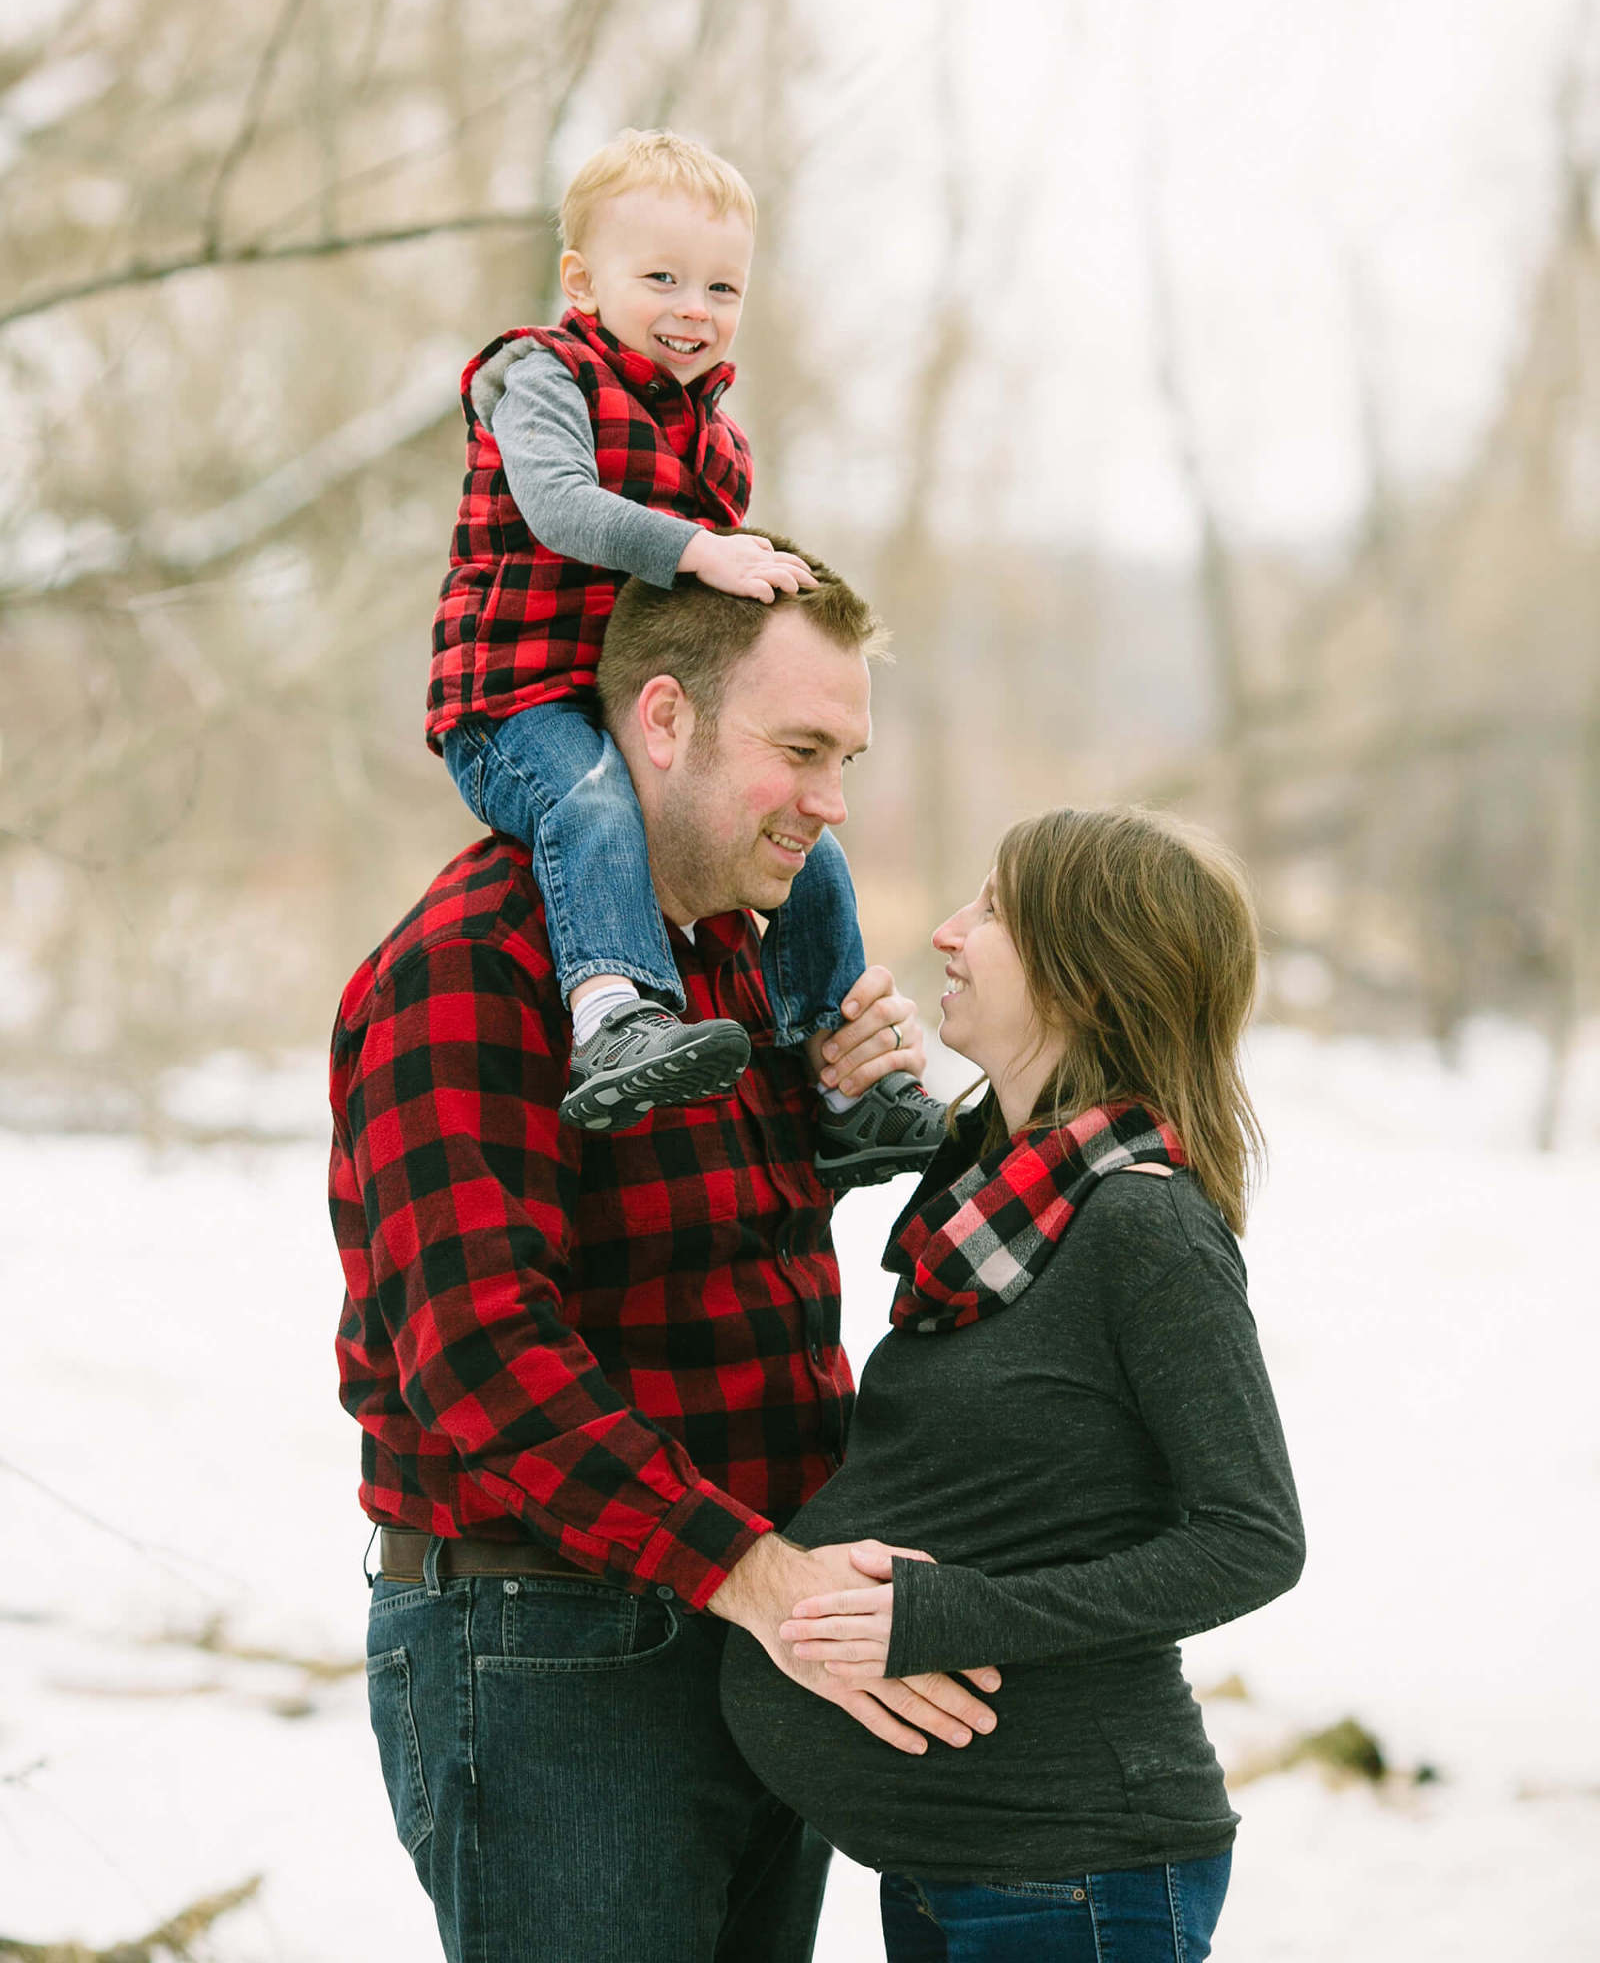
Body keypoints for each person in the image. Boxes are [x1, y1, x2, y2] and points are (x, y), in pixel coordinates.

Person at [331, 551, 1003, 1963]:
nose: (831, 804)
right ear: (662, 719)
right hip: (552, 1648)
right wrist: (763, 1578)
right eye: (800, 751)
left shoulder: (738, 964)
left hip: (750, 1624)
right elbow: (481, 1361)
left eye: (849, 758)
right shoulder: (477, 961)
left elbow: (709, 1266)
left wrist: (845, 1114)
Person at [721, 806, 1307, 1963]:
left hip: (1075, 1869)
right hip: (966, 1863)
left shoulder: (1142, 1225)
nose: (947, 932)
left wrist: (957, 1614)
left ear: (1085, 976)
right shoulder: (998, 1191)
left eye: (991, 912)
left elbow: (1252, 1538)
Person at [426, 123, 942, 1173]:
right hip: (511, 703)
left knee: (816, 854)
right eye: (660, 278)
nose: (693, 310)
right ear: (582, 279)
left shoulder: (716, 440)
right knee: (592, 802)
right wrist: (703, 549)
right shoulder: (542, 379)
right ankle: (615, 1016)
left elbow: (705, 621)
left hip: (613, 695)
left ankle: (834, 1071)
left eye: (721, 289)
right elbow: (563, 509)